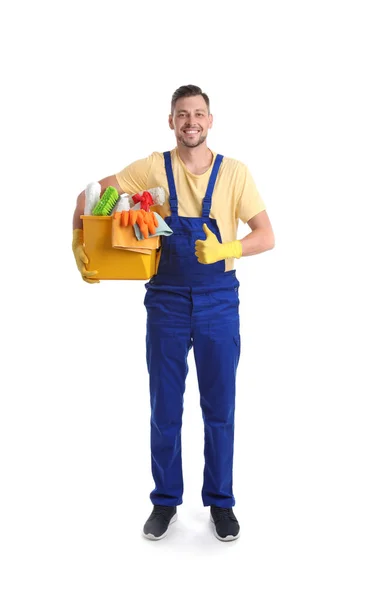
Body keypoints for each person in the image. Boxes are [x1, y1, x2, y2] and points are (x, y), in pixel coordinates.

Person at [72, 85, 275, 542]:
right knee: (165, 407)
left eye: (199, 114)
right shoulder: (151, 168)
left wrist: (228, 246)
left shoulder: (235, 173)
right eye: (182, 114)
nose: (191, 121)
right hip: (165, 300)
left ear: (210, 120)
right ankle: (165, 502)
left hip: (219, 300)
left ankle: (220, 503)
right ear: (171, 121)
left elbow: (266, 235)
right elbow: (89, 198)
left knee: (218, 407)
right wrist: (80, 245)